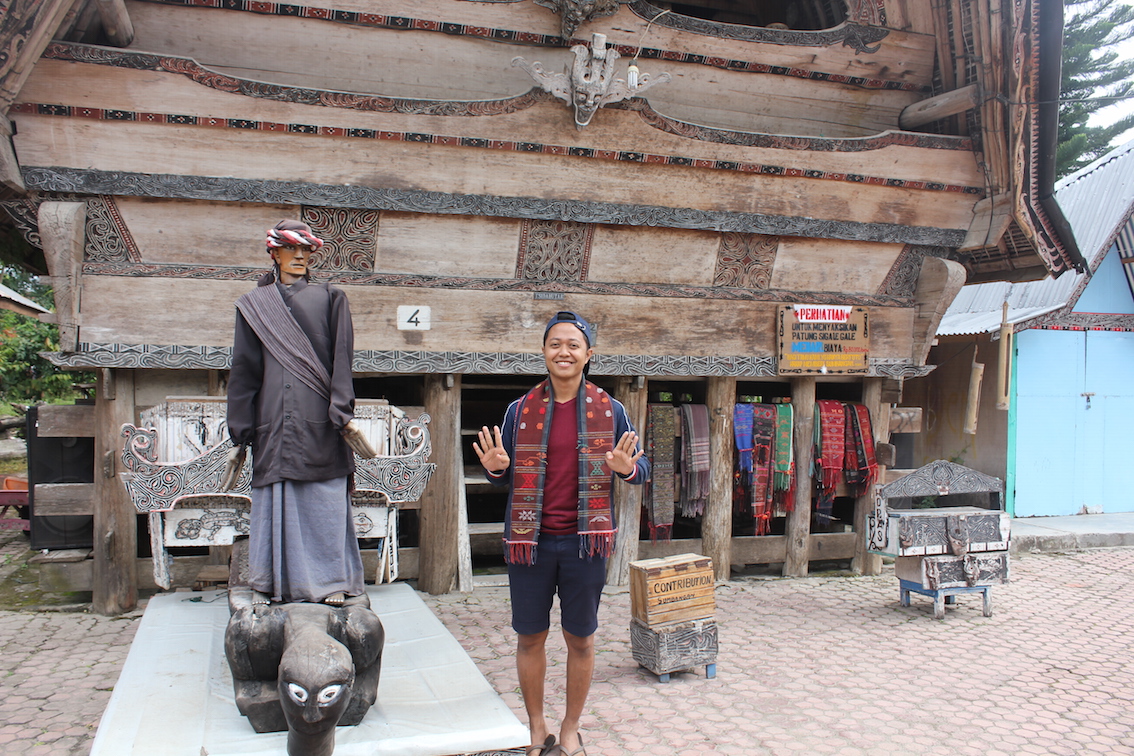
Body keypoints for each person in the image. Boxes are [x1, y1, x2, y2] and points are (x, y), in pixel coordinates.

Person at [473, 311, 650, 756]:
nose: (564, 351)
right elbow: (504, 469)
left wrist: (628, 469)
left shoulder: (612, 410)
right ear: (544, 352)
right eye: (555, 343)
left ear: (589, 354)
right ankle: (537, 727)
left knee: (581, 638)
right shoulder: (520, 411)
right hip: (529, 543)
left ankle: (570, 727)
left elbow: (640, 467)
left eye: (573, 344)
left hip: (584, 543)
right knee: (530, 636)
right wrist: (495, 471)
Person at [224, 219, 376, 608]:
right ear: (273, 253)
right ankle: (270, 580)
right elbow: (244, 371)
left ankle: (331, 581)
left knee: (323, 498)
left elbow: (342, 361)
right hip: (272, 420)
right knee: (278, 496)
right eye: (291, 250)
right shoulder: (254, 306)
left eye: (306, 251)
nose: (299, 258)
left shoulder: (331, 298)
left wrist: (341, 413)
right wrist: (240, 433)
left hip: (320, 419)